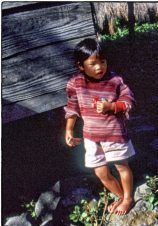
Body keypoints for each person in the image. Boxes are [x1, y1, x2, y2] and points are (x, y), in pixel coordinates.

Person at [64, 38, 136, 215]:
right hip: (91, 136)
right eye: (93, 63)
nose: (99, 67)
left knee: (121, 166)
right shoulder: (76, 83)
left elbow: (129, 100)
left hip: (113, 133)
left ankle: (127, 198)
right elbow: (72, 107)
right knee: (101, 172)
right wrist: (69, 129)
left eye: (102, 62)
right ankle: (120, 195)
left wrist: (112, 107)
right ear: (81, 66)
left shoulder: (115, 81)